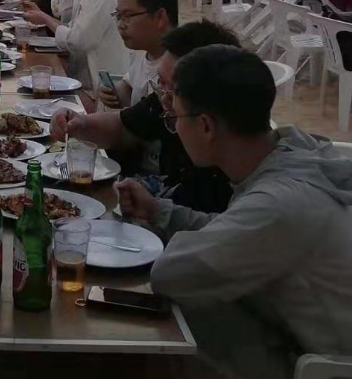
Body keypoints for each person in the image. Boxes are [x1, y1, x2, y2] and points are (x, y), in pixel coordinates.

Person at [117, 45, 352, 379]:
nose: (175, 128)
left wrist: (152, 235)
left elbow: (171, 275)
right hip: (300, 338)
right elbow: (232, 230)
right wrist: (159, 212)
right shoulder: (289, 149)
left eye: (175, 118)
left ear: (206, 127)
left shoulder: (279, 204)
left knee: (180, 312)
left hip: (325, 367)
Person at [50, 20, 239, 213]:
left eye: (172, 90)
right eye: (160, 83)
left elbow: (207, 226)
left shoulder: (231, 173)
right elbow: (124, 126)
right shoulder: (166, 98)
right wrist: (80, 123)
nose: (164, 98)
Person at [22, 0, 128, 98]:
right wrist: (41, 16)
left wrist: (44, 18)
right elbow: (70, 32)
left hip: (104, 91)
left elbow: (77, 41)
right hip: (83, 81)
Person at [98, 0, 178, 109]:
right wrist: (112, 93)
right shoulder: (144, 51)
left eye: (127, 16)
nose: (120, 25)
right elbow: (128, 85)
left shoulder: (180, 68)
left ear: (159, 17)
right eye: (118, 16)